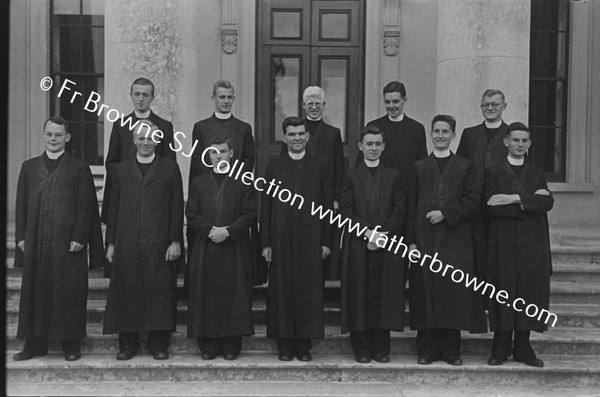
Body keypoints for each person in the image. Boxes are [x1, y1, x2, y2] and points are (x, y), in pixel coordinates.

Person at [13, 116, 104, 361]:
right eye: (49, 134)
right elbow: (21, 204)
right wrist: (21, 237)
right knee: (35, 291)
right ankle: (35, 345)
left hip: (67, 245)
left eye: (58, 135)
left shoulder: (78, 167)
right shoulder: (29, 167)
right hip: (36, 241)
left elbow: (86, 207)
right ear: (44, 135)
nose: (53, 139)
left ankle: (71, 344)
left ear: (67, 137)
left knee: (69, 293)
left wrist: (79, 237)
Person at [407, 115, 486, 366]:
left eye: (445, 132)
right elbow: (410, 207)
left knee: (453, 294)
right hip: (425, 240)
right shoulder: (419, 167)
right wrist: (411, 242)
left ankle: (451, 350)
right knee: (425, 293)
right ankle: (426, 349)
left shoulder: (465, 166)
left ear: (453, 135)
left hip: (456, 240)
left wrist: (446, 214)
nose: (440, 136)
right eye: (436, 131)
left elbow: (473, 201)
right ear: (431, 134)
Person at [103, 119, 184, 361]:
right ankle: (128, 344)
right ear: (134, 140)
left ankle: (159, 344)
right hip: (127, 240)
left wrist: (175, 240)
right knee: (126, 291)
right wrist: (111, 243)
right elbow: (113, 208)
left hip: (159, 241)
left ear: (158, 140)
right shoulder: (121, 170)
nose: (146, 142)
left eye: (151, 138)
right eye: (141, 138)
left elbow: (176, 206)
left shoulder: (169, 168)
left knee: (160, 292)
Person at [260, 116, 333, 362]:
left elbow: (327, 207)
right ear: (284, 138)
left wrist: (326, 241)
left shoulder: (320, 166)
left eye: (301, 134)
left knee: (307, 290)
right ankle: (284, 344)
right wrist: (266, 242)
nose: (297, 138)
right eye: (292, 134)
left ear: (307, 136)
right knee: (281, 290)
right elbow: (267, 207)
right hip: (280, 239)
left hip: (310, 239)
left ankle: (303, 344)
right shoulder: (274, 167)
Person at [484, 122, 553, 368]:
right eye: (515, 140)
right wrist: (530, 203)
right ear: (506, 142)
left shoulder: (536, 173)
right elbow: (493, 208)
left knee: (529, 294)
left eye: (524, 141)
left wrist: (513, 198)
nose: (520, 145)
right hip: (502, 243)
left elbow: (547, 204)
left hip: (532, 244)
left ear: (529, 144)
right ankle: (500, 348)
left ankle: (523, 347)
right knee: (503, 293)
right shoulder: (492, 171)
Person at [186, 135, 257, 361]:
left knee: (232, 294)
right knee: (205, 294)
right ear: (208, 156)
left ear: (231, 154)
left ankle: (230, 345)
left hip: (233, 247)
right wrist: (210, 231)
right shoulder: (198, 182)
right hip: (206, 246)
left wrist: (228, 231)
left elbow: (250, 214)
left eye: (223, 151)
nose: (219, 156)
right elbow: (191, 214)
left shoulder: (244, 181)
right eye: (214, 152)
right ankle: (207, 344)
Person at [340, 125, 407, 363]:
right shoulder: (351, 176)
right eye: (369, 144)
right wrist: (368, 233)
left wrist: (382, 235)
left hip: (387, 244)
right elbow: (346, 211)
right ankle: (361, 348)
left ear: (384, 146)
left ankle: (381, 348)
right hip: (359, 243)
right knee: (360, 294)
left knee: (383, 294)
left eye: (378, 144)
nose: (374, 148)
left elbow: (400, 210)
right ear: (360, 146)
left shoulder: (395, 176)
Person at [187, 80, 257, 294]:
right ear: (213, 99)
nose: (225, 101)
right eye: (221, 97)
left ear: (233, 99)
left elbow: (248, 159)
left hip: (234, 197)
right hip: (207, 197)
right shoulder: (201, 127)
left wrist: (233, 184)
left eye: (229, 97)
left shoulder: (244, 128)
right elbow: (198, 163)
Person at [280, 86, 344, 280]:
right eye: (310, 104)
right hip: (297, 196)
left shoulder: (333, 133)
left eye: (318, 104)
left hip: (322, 198)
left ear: (323, 105)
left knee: (322, 244)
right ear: (303, 106)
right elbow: (284, 167)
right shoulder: (295, 130)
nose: (314, 107)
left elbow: (339, 169)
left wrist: (335, 199)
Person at [101, 77, 176, 223]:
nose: (141, 99)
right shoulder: (120, 125)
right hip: (125, 194)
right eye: (137, 94)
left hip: (154, 194)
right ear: (131, 96)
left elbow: (169, 163)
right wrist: (126, 181)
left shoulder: (164, 126)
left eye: (145, 95)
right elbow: (111, 162)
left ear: (152, 97)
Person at [456, 89, 510, 281]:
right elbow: (460, 168)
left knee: (499, 252)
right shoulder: (470, 134)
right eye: (485, 104)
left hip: (502, 204)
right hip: (474, 204)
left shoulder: (512, 134)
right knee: (476, 251)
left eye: (494, 104)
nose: (489, 108)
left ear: (504, 106)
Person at [362, 81, 427, 175]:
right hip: (379, 184)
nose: (391, 106)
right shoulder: (374, 126)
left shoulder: (416, 129)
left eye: (395, 101)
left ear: (405, 100)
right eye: (387, 102)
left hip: (407, 185)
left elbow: (422, 165)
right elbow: (363, 161)